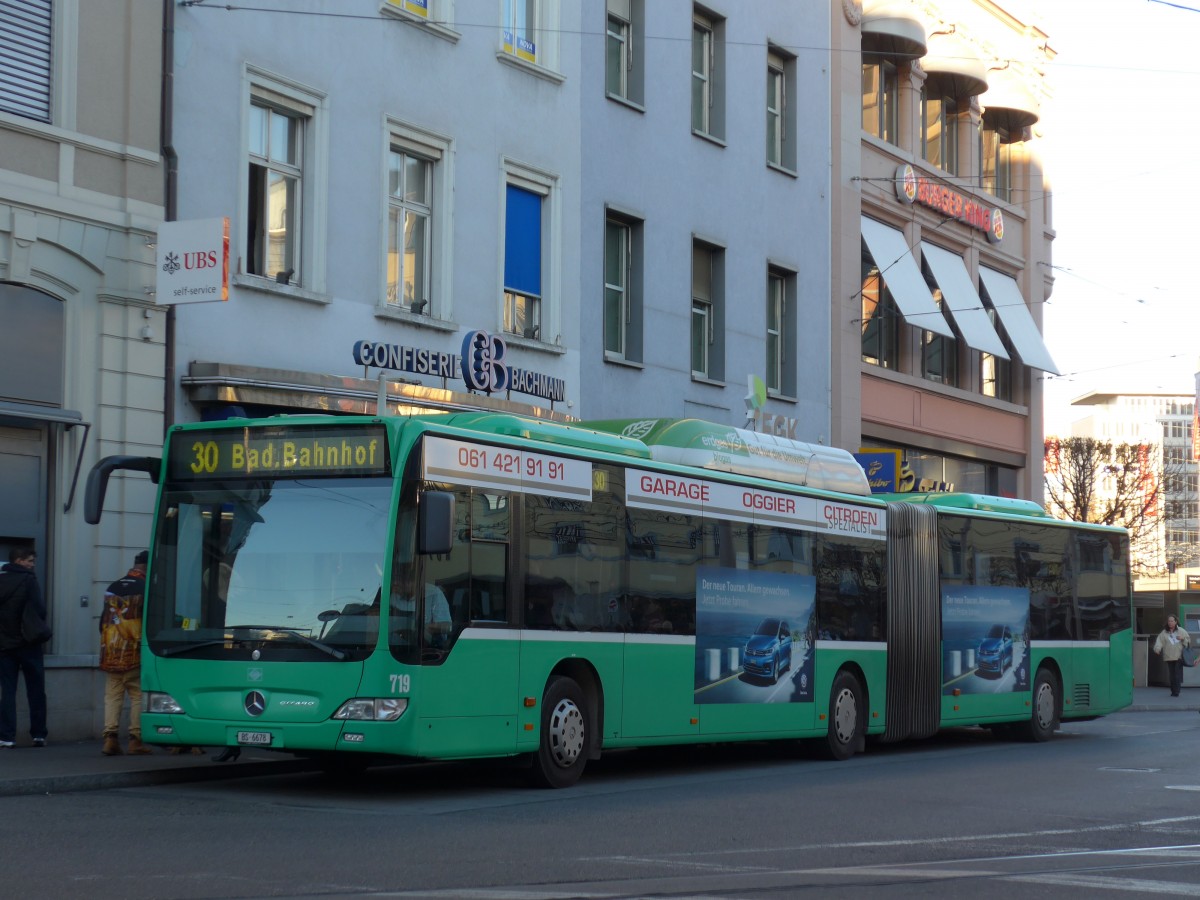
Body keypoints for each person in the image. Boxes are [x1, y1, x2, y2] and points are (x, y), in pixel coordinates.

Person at [100, 550, 152, 755]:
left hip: (110, 651)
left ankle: (110, 738)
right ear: (147, 567)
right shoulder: (146, 587)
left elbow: (104, 619)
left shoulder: (113, 586)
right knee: (138, 695)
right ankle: (135, 739)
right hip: (133, 652)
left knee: (112, 696)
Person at [0, 548, 49, 748]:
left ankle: (6, 737)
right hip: (29, 644)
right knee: (36, 690)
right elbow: (40, 610)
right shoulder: (29, 580)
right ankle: (38, 734)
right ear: (19, 561)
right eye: (30, 561)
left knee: (8, 692)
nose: (32, 564)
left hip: (5, 645)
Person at [389, 568, 451, 647]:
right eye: (395, 581)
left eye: (400, 581)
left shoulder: (434, 593)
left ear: (414, 581)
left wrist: (424, 628)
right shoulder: (394, 595)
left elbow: (447, 626)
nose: (396, 584)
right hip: (394, 646)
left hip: (426, 646)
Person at [1152, 614, 1191, 697]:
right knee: (1172, 675)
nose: (1170, 623)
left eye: (1172, 621)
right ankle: (1173, 690)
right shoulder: (1164, 632)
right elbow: (1159, 641)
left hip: (1179, 656)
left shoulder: (1181, 631)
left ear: (1176, 622)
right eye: (1169, 621)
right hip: (1169, 656)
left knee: (1177, 674)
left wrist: (1182, 639)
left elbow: (1188, 642)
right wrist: (1157, 649)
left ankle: (1176, 691)